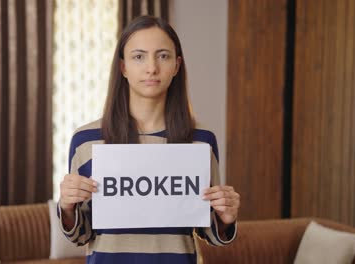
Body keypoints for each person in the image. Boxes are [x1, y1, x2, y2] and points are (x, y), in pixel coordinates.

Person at [57, 15, 240, 264]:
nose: (151, 67)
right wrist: (67, 208)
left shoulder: (201, 140)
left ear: (176, 65)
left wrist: (225, 217)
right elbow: (81, 235)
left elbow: (209, 231)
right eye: (138, 56)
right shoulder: (86, 140)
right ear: (123, 67)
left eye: (163, 56)